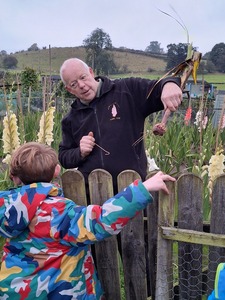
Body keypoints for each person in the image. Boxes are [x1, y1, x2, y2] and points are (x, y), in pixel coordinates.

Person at [0, 142, 175, 299]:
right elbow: (101, 220)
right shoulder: (58, 212)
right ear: (57, 171)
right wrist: (143, 188)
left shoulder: (5, 207)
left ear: (14, 177)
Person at [58, 58, 182, 194]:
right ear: (69, 89)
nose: (81, 85)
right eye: (74, 84)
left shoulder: (127, 90)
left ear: (91, 72)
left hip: (132, 191)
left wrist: (170, 84)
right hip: (93, 196)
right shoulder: (71, 119)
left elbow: (159, 87)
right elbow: (64, 157)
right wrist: (79, 152)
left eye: (83, 77)